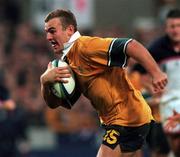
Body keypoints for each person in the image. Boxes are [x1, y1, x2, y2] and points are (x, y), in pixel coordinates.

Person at [40, 9, 167, 157]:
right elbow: (55, 104)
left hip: (126, 119)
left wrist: (156, 73)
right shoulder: (69, 61)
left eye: (52, 31)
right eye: (46, 32)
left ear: (69, 30)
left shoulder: (86, 46)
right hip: (122, 120)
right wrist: (45, 82)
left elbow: (130, 45)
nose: (48, 37)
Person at [134, 8, 180, 157]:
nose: (175, 30)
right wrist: (153, 89)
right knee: (161, 151)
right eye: (172, 26)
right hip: (166, 109)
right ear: (166, 28)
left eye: (178, 26)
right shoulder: (157, 48)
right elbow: (139, 72)